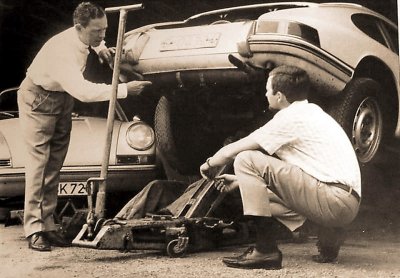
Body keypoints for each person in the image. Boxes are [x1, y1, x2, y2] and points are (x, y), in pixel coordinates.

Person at [18, 2, 151, 252]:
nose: (102, 35)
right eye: (97, 32)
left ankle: (48, 225)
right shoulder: (62, 53)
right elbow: (84, 92)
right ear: (78, 27)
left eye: (105, 30)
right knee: (39, 164)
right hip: (39, 98)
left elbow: (95, 44)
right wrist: (124, 90)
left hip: (61, 97)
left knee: (55, 163)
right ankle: (34, 229)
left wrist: (101, 49)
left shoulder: (86, 37)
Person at [200, 65, 361, 269]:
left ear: (280, 96)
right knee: (262, 195)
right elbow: (301, 175)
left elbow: (233, 151)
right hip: (344, 202)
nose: (266, 94)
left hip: (333, 200)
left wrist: (209, 164)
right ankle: (328, 234)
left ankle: (265, 250)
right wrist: (242, 182)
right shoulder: (313, 113)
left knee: (246, 159)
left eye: (268, 90)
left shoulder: (289, 119)